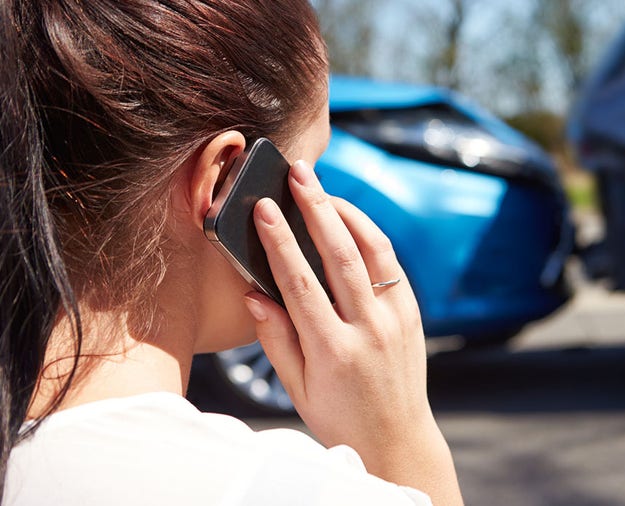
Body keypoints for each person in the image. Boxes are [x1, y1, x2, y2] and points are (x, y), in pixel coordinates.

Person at [0, 1, 464, 505]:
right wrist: (404, 441)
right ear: (224, 179)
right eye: (309, 170)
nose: (318, 204)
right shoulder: (283, 490)